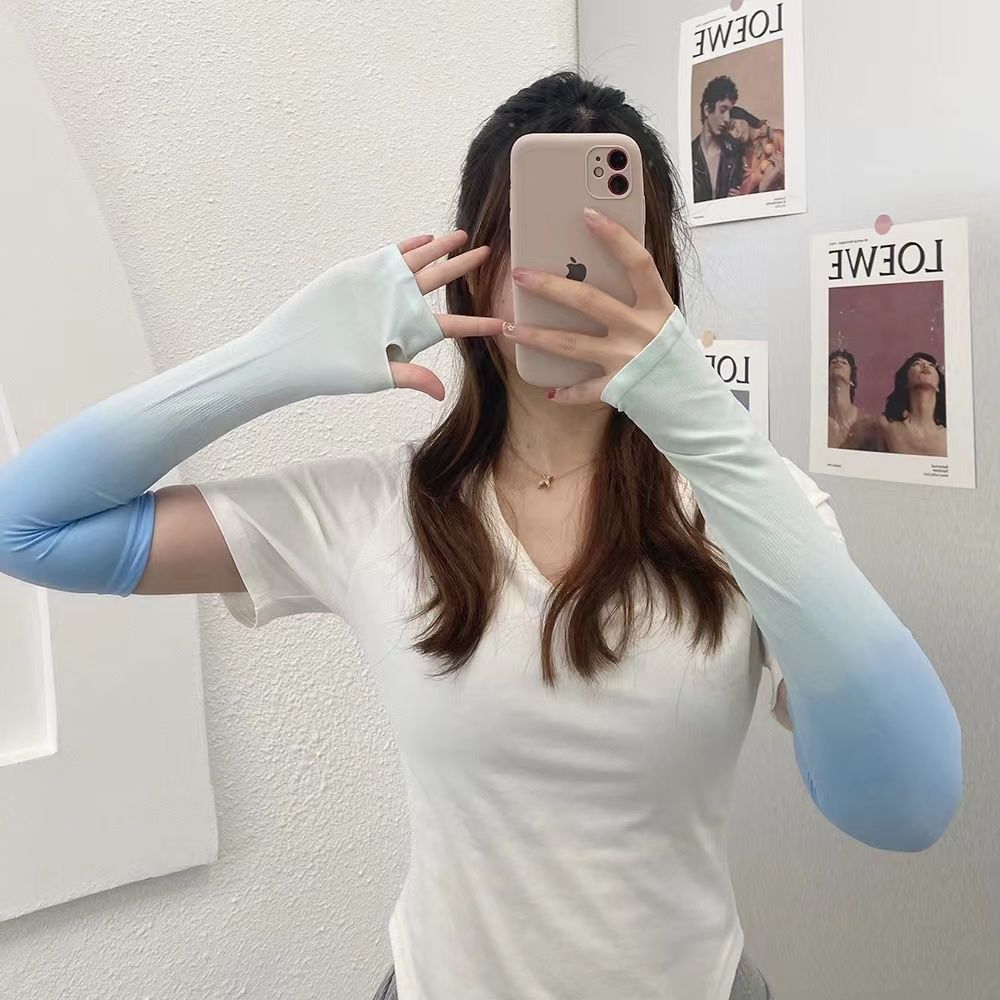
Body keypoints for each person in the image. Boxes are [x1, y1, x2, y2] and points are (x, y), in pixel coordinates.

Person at [0, 72, 961, 1000]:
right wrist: (278, 357)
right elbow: (29, 527)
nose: (565, 275)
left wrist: (703, 423)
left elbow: (907, 805)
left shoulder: (748, 507)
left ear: (660, 273)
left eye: (610, 242)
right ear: (473, 262)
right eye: (533, 237)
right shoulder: (376, 506)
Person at [879, 352, 948, 456]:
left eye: (931, 365)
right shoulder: (886, 427)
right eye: (917, 363)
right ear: (905, 381)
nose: (925, 366)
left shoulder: (950, 436)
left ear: (938, 386)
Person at [691, 74, 745, 202]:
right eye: (722, 110)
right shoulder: (690, 155)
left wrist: (741, 198)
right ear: (707, 110)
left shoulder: (734, 153)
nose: (727, 119)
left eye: (729, 112)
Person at [827, 349, 883, 451]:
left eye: (844, 362)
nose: (838, 361)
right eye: (833, 362)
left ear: (851, 380)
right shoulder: (819, 419)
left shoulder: (865, 421)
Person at [726, 105, 786, 197]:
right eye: (729, 135)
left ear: (742, 116)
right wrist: (740, 197)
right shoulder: (742, 156)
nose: (735, 135)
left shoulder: (777, 138)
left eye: (733, 126)